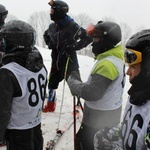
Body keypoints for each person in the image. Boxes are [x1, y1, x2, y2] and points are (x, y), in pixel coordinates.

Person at [67, 20, 126, 150]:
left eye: (96, 39)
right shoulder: (116, 58)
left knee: (85, 143)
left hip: (98, 118)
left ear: (106, 41)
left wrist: (73, 83)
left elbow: (92, 93)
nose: (93, 43)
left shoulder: (107, 64)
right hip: (109, 114)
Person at [94, 29, 150, 150]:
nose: (127, 72)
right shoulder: (136, 95)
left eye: (133, 67)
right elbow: (135, 128)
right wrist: (116, 134)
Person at [0, 20, 47, 150]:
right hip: (35, 127)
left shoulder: (8, 72)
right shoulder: (40, 66)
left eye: (4, 40)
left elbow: (2, 111)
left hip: (17, 132)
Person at [43, 0, 92, 112]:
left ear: (60, 11)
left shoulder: (72, 26)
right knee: (51, 85)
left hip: (70, 63)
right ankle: (51, 104)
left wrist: (75, 46)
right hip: (56, 62)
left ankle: (78, 108)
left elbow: (88, 37)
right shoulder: (52, 26)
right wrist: (50, 43)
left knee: (75, 87)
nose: (50, 13)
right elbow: (46, 35)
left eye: (52, 10)